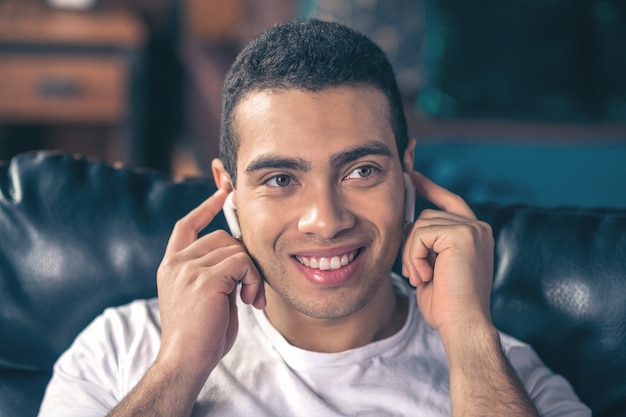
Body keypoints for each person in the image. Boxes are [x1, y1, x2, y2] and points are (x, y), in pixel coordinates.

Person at [38, 19, 591, 417]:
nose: (324, 220)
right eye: (280, 179)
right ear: (228, 192)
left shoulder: (507, 378)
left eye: (361, 172)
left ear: (406, 171)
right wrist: (178, 369)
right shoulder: (120, 347)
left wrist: (469, 337)